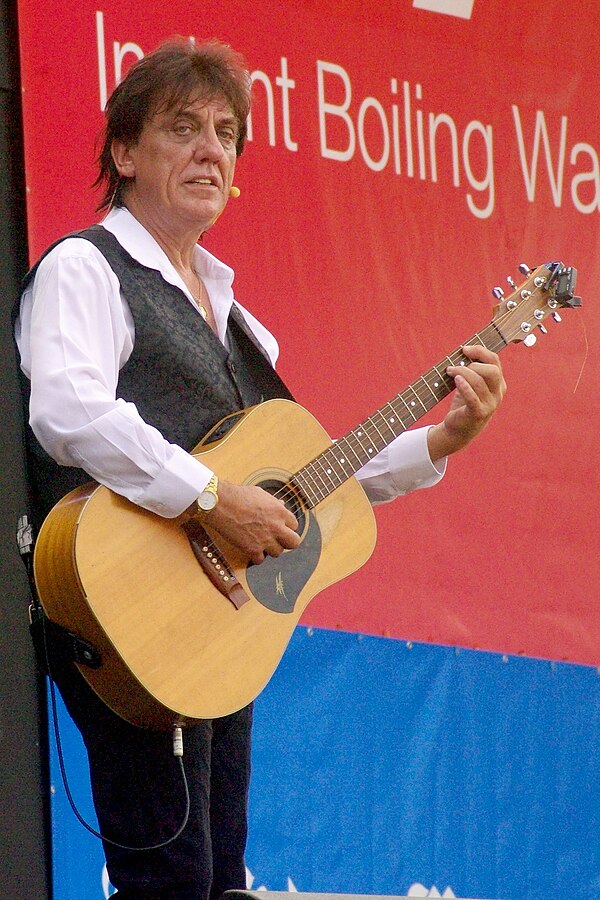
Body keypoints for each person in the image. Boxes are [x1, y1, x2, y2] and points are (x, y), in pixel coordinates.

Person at [14, 37, 506, 899]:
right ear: (125, 153)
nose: (212, 149)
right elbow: (70, 412)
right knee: (169, 874)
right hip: (129, 606)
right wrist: (210, 496)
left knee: (216, 880)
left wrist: (442, 441)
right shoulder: (86, 269)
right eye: (183, 129)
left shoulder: (245, 324)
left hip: (216, 629)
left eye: (227, 132)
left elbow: (309, 482)